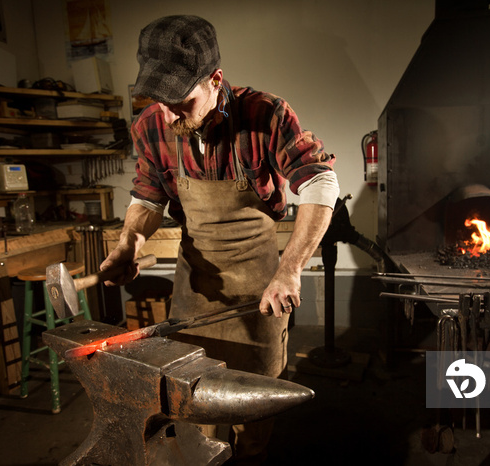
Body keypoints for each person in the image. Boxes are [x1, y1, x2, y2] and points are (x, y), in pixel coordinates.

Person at [100, 14, 339, 463]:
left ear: (215, 80)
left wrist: (289, 270)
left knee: (257, 401)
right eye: (160, 100)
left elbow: (319, 183)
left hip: (261, 285)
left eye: (182, 101)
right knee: (193, 400)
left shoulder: (265, 114)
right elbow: (147, 198)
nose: (170, 113)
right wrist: (128, 246)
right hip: (197, 286)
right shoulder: (153, 125)